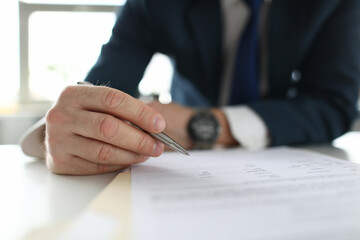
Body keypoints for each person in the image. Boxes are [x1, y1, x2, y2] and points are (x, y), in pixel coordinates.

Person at [21, 0, 360, 175]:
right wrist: (59, 132)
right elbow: (95, 96)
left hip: (289, 155)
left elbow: (334, 104)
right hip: (181, 165)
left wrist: (207, 125)